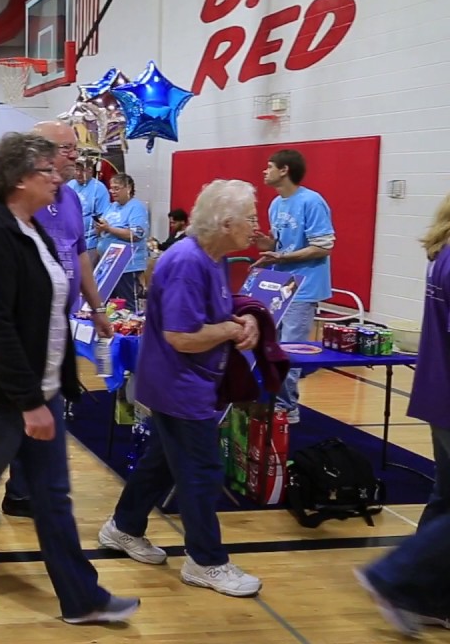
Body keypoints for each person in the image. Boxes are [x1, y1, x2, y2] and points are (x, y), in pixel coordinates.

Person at [0, 132, 138, 624]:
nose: (58, 176)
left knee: (52, 495)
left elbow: (52, 310)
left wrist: (56, 385)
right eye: (48, 170)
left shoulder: (30, 228)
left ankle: (81, 597)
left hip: (35, 390)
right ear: (21, 178)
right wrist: (28, 402)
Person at [98, 179, 264, 598]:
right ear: (226, 223)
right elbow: (181, 336)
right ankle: (206, 561)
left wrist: (242, 319)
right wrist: (228, 329)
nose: (256, 225)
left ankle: (122, 527)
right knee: (202, 471)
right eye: (250, 218)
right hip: (179, 384)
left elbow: (213, 311)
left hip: (179, 382)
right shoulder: (190, 261)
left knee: (163, 462)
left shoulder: (211, 258)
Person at [1, 120, 113, 519]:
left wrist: (97, 307)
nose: (74, 157)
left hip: (56, 327)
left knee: (46, 416)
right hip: (18, 332)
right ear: (38, 154)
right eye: (66, 149)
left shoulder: (71, 200)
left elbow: (79, 253)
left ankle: (27, 493)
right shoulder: (2, 200)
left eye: (75, 150)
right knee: (11, 423)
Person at [354, 191, 450, 636]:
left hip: (437, 392)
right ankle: (394, 576)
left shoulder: (443, 254)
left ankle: (425, 596)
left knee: (444, 497)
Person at [253, 149, 335, 424]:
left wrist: (284, 256)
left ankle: (289, 408)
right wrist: (267, 246)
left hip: (305, 286)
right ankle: (273, 399)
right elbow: (279, 244)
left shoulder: (312, 202)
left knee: (290, 348)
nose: (264, 171)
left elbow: (324, 246)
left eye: (269, 166)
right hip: (279, 284)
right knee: (270, 345)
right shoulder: (276, 204)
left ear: (284, 170)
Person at [94, 173, 149, 305]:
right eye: (111, 188)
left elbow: (136, 235)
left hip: (128, 266)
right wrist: (100, 228)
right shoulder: (111, 207)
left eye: (117, 188)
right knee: (105, 305)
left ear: (128, 188)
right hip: (108, 264)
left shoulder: (137, 207)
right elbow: (104, 229)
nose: (113, 192)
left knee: (127, 305)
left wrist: (109, 229)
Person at [69, 159, 110, 251]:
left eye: (82, 170)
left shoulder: (99, 188)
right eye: (76, 169)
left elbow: (103, 218)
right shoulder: (69, 185)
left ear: (90, 170)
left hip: (90, 242)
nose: (78, 173)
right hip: (70, 240)